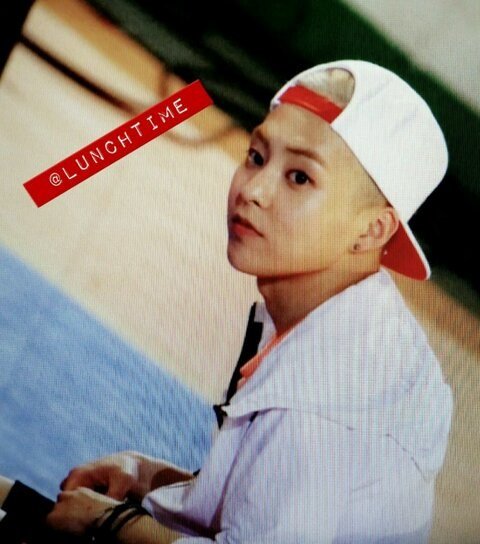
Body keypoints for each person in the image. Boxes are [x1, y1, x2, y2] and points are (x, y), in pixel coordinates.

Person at [0, 59, 453, 543]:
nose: (253, 191)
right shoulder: (351, 319)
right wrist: (147, 475)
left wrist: (108, 521)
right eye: (256, 156)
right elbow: (261, 503)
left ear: (372, 230)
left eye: (300, 178)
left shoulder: (321, 406)